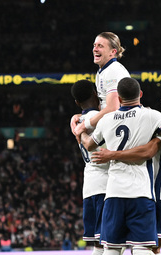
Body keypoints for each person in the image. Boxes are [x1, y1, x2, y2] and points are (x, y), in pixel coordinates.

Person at [80, 77, 161, 255]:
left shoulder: (106, 120)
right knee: (143, 248)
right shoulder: (153, 116)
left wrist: (78, 130)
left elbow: (88, 144)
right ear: (140, 94)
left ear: (118, 97)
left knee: (111, 249)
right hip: (141, 193)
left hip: (113, 193)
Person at [71, 79, 109, 255]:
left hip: (89, 188)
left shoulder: (78, 123)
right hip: (107, 186)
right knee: (112, 242)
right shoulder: (103, 120)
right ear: (96, 94)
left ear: (77, 103)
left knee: (98, 245)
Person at [70, 31, 130, 137]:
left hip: (121, 127)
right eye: (94, 45)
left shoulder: (113, 70)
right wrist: (80, 116)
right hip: (112, 124)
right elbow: (104, 107)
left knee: (83, 133)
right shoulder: (102, 70)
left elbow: (113, 108)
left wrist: (85, 125)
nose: (95, 49)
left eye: (100, 46)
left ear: (113, 52)